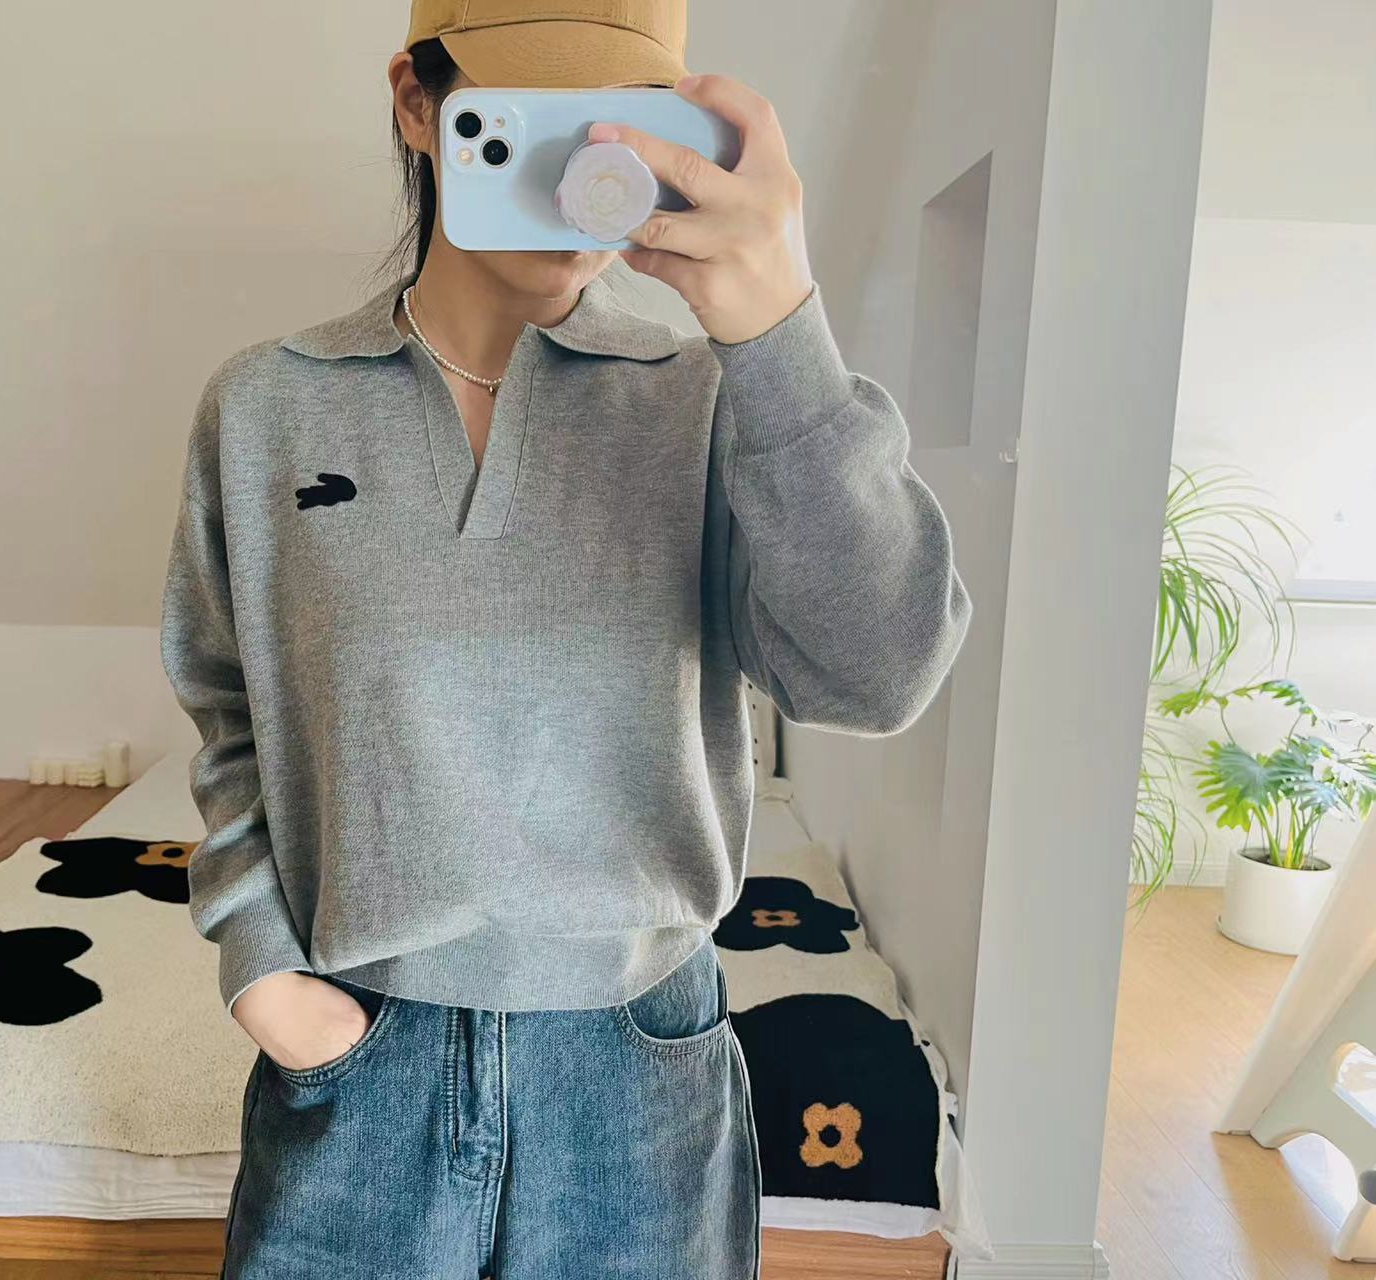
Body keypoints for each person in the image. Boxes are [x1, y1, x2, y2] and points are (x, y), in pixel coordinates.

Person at [159, 1, 972, 1275]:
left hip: (636, 1069)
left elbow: (876, 672)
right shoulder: (267, 405)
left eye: (622, 125)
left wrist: (779, 328)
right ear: (419, 105)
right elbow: (228, 706)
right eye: (531, 115)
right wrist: (261, 966)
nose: (579, 169)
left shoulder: (709, 399)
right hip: (356, 1059)